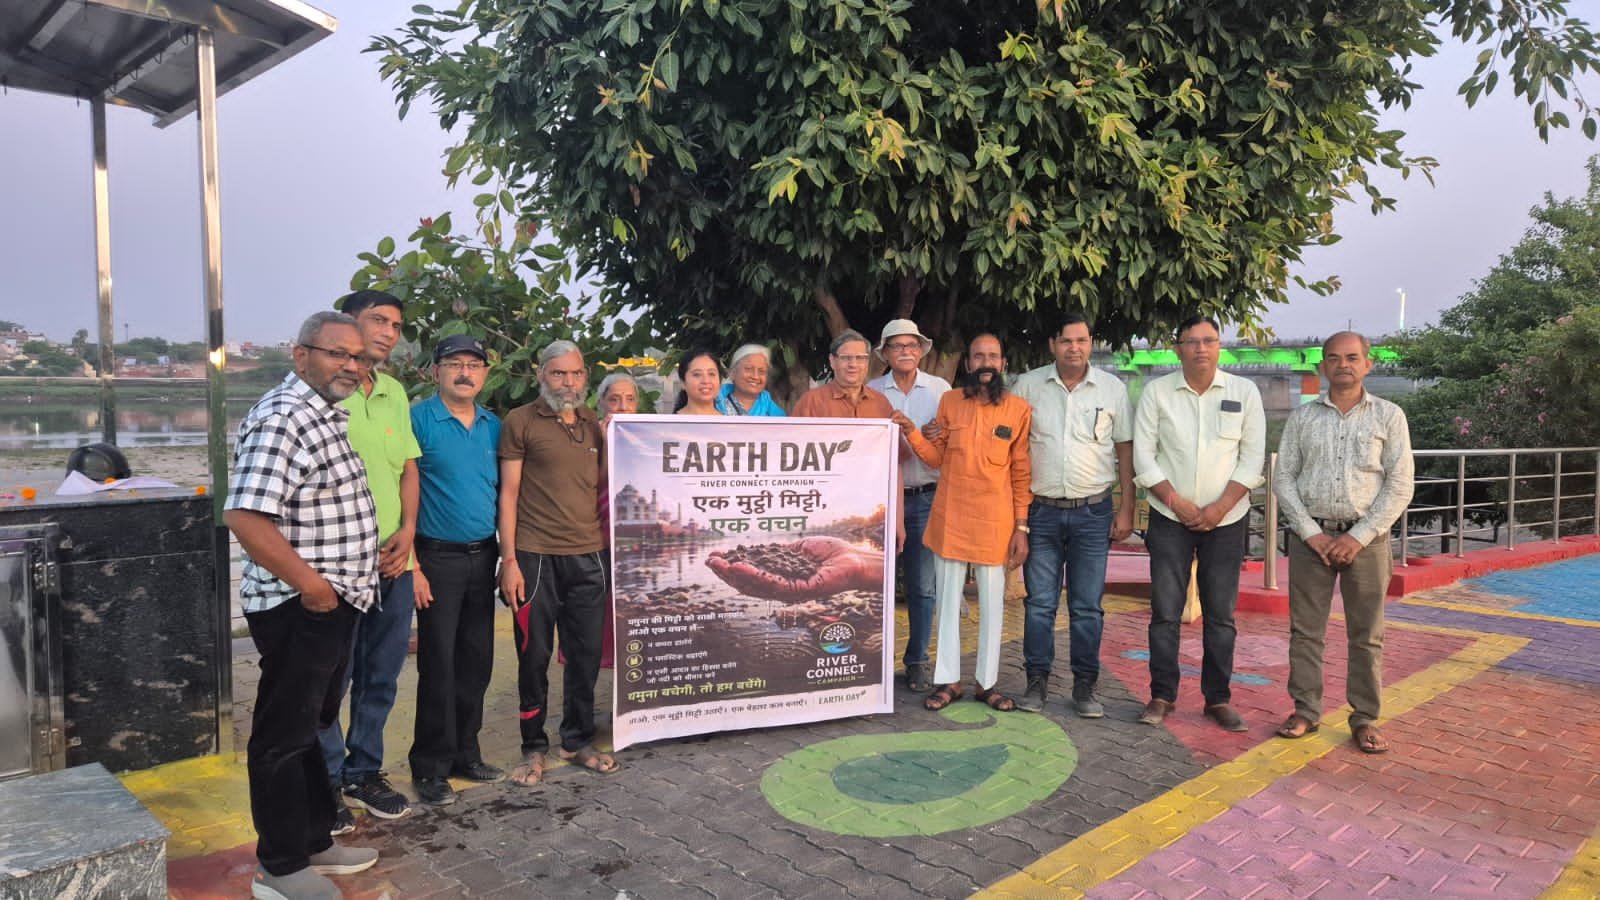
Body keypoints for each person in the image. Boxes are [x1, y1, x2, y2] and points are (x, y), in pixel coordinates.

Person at [225, 311, 381, 900]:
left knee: (314, 725)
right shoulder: (284, 417)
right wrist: (313, 587)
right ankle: (281, 866)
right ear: (301, 355)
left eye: (359, 357)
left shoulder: (321, 414)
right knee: (282, 734)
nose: (351, 365)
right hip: (302, 604)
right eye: (338, 353)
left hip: (332, 602)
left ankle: (317, 841)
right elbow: (244, 516)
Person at [1274, 331, 1414, 754]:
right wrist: (1310, 532)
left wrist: (1358, 536)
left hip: (1367, 541)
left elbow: (1400, 484)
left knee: (1366, 633)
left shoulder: (1389, 416)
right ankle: (1305, 710)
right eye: (1333, 358)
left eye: (1352, 358)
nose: (1343, 365)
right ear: (1322, 366)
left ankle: (1365, 718)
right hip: (1309, 538)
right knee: (1305, 631)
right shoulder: (1303, 418)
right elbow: (1283, 478)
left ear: (1368, 364)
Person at [1132, 315, 1265, 731]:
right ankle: (1161, 695)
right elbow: (1143, 456)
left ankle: (1217, 698)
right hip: (1170, 517)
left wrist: (1220, 506)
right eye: (1192, 341)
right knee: (1165, 611)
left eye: (1210, 340)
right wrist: (1174, 500)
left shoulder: (1244, 392)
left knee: (1221, 614)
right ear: (1178, 348)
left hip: (1227, 520)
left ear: (1220, 346)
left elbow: (1252, 456)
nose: (1201, 349)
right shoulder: (1157, 393)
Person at [318, 290, 421, 829]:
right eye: (377, 320)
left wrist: (407, 532)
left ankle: (364, 771)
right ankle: (327, 782)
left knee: (381, 676)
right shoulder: (324, 393)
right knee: (330, 680)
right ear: (347, 326)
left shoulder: (395, 392)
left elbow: (406, 467)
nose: (388, 332)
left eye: (395, 325)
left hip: (391, 560)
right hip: (337, 562)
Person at [498, 340, 618, 786]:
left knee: (584, 655)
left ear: (585, 377)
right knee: (534, 657)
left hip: (588, 555)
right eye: (558, 374)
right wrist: (508, 559)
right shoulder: (520, 421)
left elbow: (603, 483)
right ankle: (533, 747)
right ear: (541, 375)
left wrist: (611, 436)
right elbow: (507, 495)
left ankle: (576, 739)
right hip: (535, 558)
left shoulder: (591, 423)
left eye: (576, 374)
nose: (569, 383)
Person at [895, 334, 1032, 712]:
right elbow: (935, 458)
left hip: (995, 521)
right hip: (951, 515)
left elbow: (1021, 473)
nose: (985, 362)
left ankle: (987, 684)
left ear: (1002, 363)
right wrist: (911, 432)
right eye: (978, 356)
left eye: (993, 355)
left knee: (992, 606)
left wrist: (1021, 528)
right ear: (968, 364)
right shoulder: (950, 402)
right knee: (948, 601)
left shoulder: (1018, 409)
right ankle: (948, 681)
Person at [1013, 314, 1135, 717]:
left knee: (1086, 606)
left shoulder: (1113, 389)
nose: (1074, 348)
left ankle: (1085, 686)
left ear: (1091, 343)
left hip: (1093, 513)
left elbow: (1124, 452)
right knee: (1040, 604)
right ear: (1053, 344)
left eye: (1081, 340)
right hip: (1041, 514)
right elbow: (1012, 452)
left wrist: (1127, 507)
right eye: (1066, 341)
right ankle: (1036, 682)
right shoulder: (1028, 386)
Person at [407, 335, 506, 808]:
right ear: (435, 371)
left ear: (486, 374)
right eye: (454, 364)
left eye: (474, 365)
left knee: (476, 660)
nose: (465, 372)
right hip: (436, 558)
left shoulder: (493, 425)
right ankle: (429, 765)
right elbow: (398, 488)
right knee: (438, 664)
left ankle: (467, 752)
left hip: (483, 556)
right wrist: (412, 565)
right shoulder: (417, 420)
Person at [867, 319, 950, 693]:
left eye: (911, 345)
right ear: (884, 353)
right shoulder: (870, 392)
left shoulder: (940, 390)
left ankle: (917, 661)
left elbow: (950, 439)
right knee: (873, 586)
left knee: (923, 586)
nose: (905, 351)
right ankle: (873, 661)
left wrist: (941, 432)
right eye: (897, 345)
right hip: (879, 502)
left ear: (921, 350)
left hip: (926, 497)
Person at [790, 330, 895, 419]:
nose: (853, 364)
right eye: (845, 358)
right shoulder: (811, 402)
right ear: (832, 361)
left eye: (860, 358)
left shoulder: (881, 403)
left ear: (867, 363)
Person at [717, 343, 787, 416]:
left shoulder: (777, 415)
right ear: (733, 373)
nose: (755, 376)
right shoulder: (714, 403)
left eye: (761, 371)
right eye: (749, 369)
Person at [673, 349, 725, 415]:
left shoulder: (731, 423)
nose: (706, 381)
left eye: (711, 374)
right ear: (683, 382)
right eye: (697, 374)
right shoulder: (668, 423)